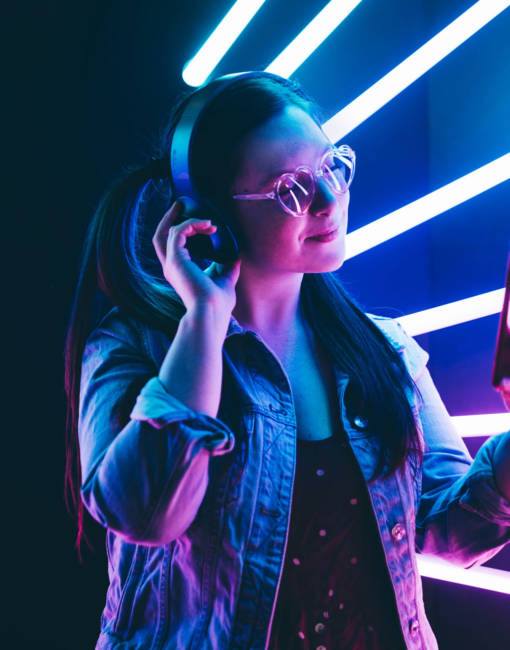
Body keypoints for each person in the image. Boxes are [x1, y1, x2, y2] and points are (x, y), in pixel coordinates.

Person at [64, 72, 510, 650]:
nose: (329, 201)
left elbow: (452, 529)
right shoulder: (136, 347)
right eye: (290, 189)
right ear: (212, 217)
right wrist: (203, 319)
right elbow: (145, 515)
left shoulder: (386, 351)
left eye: (331, 168)